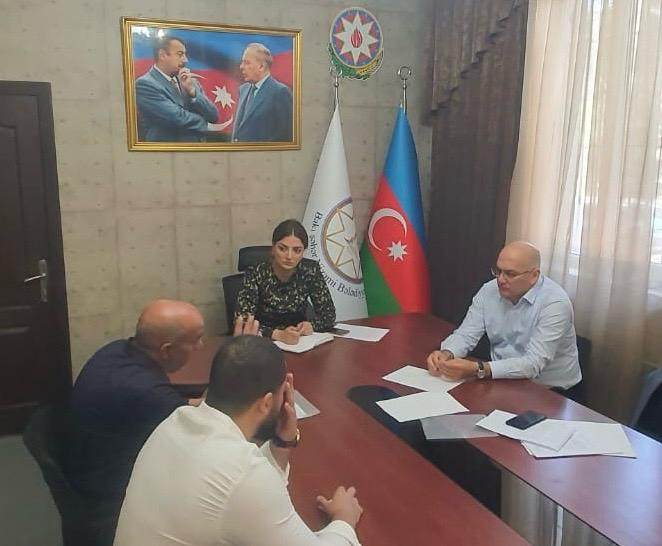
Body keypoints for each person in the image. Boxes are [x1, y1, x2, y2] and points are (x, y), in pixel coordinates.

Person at [114, 335, 363, 545]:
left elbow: (239, 493)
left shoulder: (174, 423)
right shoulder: (244, 474)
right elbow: (244, 485)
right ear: (267, 403)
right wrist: (343, 519)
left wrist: (283, 442)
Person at [65, 300, 258, 545]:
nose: (200, 346)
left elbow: (181, 407)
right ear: (166, 350)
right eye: (196, 340)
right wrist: (238, 359)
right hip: (113, 503)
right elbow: (211, 430)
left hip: (89, 472)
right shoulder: (148, 395)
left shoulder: (117, 350)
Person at [427, 241, 582, 390]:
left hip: (550, 391)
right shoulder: (489, 290)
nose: (500, 279)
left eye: (510, 274)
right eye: (498, 271)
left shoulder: (555, 303)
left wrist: (479, 369)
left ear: (534, 275)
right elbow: (466, 334)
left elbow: (533, 364)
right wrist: (447, 353)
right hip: (502, 380)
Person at [236, 219, 336, 345]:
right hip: (262, 343)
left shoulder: (310, 270)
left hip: (299, 341)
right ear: (273, 248)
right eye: (282, 248)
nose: (289, 256)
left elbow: (329, 315)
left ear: (303, 252)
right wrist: (277, 334)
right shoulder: (256, 272)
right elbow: (242, 320)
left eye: (297, 250)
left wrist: (311, 325)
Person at [135, 36, 231, 142]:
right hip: (167, 150)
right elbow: (176, 117)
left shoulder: (189, 81)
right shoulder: (145, 84)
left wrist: (193, 93)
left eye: (185, 55)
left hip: (197, 149)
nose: (186, 60)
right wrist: (206, 125)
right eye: (180, 54)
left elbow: (213, 116)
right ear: (162, 55)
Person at [231, 42, 293, 142]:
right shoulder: (243, 89)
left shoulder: (280, 92)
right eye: (242, 62)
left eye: (247, 63)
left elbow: (285, 136)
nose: (241, 67)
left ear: (261, 67)